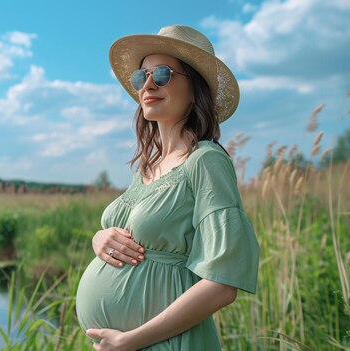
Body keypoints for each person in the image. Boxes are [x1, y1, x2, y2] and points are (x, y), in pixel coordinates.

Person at [75, 25, 260, 350]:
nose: (147, 84)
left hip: (166, 342)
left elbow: (222, 284)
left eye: (162, 74)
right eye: (141, 77)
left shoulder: (205, 161)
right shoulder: (149, 166)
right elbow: (132, 235)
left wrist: (131, 340)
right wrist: (100, 238)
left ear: (195, 87)